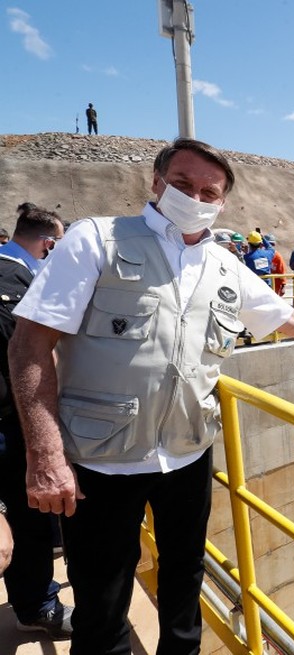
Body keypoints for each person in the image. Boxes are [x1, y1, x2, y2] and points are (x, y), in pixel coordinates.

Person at [7, 137, 294, 655]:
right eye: (183, 184)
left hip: (187, 454)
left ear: (221, 204)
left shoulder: (223, 265)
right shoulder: (95, 241)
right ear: (155, 183)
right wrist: (46, 452)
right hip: (101, 460)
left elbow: (282, 317)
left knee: (184, 580)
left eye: (208, 192)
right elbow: (31, 344)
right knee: (102, 602)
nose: (194, 197)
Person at [0, 202, 71, 640]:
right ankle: (38, 604)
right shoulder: (11, 282)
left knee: (32, 523)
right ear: (48, 244)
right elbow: (28, 356)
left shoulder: (16, 273)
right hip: (9, 423)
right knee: (25, 526)